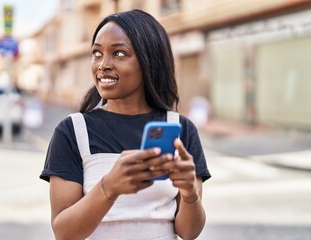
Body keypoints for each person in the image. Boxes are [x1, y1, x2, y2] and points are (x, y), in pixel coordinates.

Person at [40, 9, 211, 240]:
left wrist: (190, 194)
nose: (103, 65)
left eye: (119, 53)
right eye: (97, 53)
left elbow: (189, 232)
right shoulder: (73, 131)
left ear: (148, 60)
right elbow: (64, 233)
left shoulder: (180, 129)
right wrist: (108, 187)